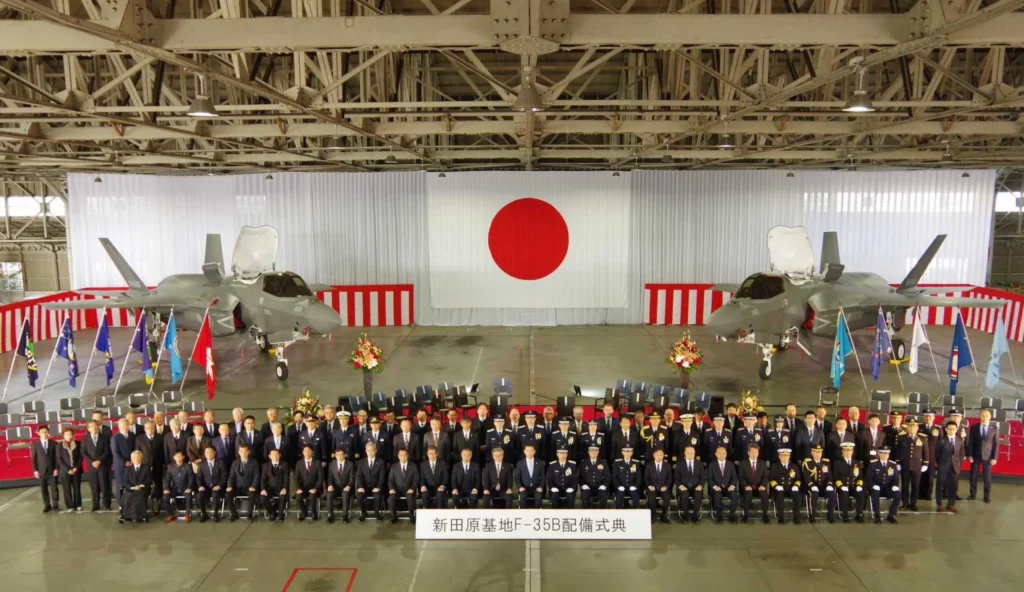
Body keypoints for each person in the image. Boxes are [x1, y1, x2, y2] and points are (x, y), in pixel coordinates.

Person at [895, 418, 929, 511]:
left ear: (917, 427)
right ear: (907, 427)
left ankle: (913, 503)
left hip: (917, 466)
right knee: (905, 485)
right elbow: (898, 451)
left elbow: (926, 452)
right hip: (905, 465)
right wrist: (897, 462)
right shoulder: (901, 437)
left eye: (914, 426)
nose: (912, 428)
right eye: (910, 426)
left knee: (915, 485)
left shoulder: (922, 438)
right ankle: (905, 503)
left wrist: (925, 463)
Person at [968, 408, 999, 503]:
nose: (985, 417)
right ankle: (972, 494)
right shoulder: (974, 427)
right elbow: (971, 442)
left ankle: (987, 496)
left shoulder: (994, 428)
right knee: (973, 476)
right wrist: (970, 455)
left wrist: (994, 458)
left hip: (988, 457)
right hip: (975, 456)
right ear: (980, 416)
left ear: (990, 417)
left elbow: (996, 444)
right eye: (983, 415)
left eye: (987, 415)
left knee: (987, 477)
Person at [934, 420, 965, 513]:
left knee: (954, 486)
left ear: (956, 429)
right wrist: (940, 464)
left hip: (955, 467)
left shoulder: (960, 440)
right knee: (940, 485)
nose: (952, 431)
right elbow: (937, 454)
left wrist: (959, 464)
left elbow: (961, 454)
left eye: (953, 429)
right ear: (946, 429)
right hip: (943, 466)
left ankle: (951, 504)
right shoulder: (941, 441)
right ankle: (939, 504)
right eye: (950, 429)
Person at [801, 445, 837, 524]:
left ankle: (830, 516)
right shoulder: (807, 463)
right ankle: (812, 516)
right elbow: (806, 477)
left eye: (820, 452)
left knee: (832, 494)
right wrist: (811, 485)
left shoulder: (826, 462)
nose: (818, 454)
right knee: (813, 494)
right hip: (812, 486)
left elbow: (829, 475)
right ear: (812, 452)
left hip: (823, 486)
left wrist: (829, 484)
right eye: (816, 452)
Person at [82, 419, 112, 512]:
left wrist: (99, 461)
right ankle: (95, 504)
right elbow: (84, 452)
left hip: (102, 465)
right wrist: (92, 461)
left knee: (104, 485)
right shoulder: (85, 439)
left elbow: (107, 451)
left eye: (96, 426)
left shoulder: (104, 437)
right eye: (92, 426)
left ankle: (106, 504)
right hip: (92, 466)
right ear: (88, 428)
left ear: (98, 427)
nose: (94, 428)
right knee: (94, 486)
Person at [832, 442, 865, 523]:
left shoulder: (857, 463)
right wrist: (841, 486)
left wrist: (859, 485)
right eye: (846, 450)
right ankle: (845, 515)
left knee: (862, 493)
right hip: (843, 486)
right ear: (842, 451)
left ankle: (859, 514)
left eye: (850, 451)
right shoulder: (837, 463)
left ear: (852, 451)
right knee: (844, 494)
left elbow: (860, 476)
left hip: (854, 486)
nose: (848, 453)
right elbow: (836, 477)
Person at [866, 447, 901, 524]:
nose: (885, 455)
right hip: (876, 487)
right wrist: (873, 485)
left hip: (888, 488)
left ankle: (891, 515)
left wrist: (895, 485)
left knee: (898, 494)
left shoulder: (892, 464)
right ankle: (877, 516)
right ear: (879, 453)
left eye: (887, 453)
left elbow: (896, 478)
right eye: (883, 453)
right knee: (875, 493)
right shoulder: (873, 464)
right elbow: (869, 477)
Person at [226, 443, 260, 522]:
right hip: (237, 487)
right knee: (228, 494)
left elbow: (256, 476)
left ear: (248, 452)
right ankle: (234, 514)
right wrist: (230, 486)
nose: (243, 454)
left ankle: (249, 515)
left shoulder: (254, 462)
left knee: (252, 494)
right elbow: (231, 476)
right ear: (238, 452)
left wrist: (253, 486)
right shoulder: (235, 463)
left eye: (245, 451)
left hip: (249, 487)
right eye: (241, 452)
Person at [31, 425, 60, 512]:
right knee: (43, 489)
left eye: (46, 432)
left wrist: (56, 468)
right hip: (41, 470)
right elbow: (34, 459)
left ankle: (55, 505)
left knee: (54, 488)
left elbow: (57, 457)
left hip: (52, 470)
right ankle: (47, 505)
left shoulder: (54, 443)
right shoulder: (35, 445)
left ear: (48, 433)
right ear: (39, 433)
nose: (44, 433)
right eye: (42, 432)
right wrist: (35, 470)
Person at [739, 442, 770, 524]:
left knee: (765, 495)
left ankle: (765, 515)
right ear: (748, 453)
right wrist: (746, 486)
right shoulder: (743, 463)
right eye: (752, 452)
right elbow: (741, 477)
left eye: (756, 452)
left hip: (759, 487)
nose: (754, 454)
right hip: (747, 487)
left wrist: (763, 485)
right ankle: (745, 515)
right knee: (747, 495)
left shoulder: (762, 463)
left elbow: (765, 476)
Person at [769, 449, 802, 524]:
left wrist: (796, 485)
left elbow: (798, 478)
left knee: (798, 496)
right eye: (783, 456)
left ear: (789, 457)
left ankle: (796, 517)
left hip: (791, 488)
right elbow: (771, 479)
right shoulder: (775, 466)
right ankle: (781, 518)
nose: (785, 458)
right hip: (779, 488)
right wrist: (776, 486)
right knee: (779, 496)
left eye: (787, 456)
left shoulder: (794, 466)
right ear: (779, 457)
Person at [356, 441, 387, 521]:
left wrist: (379, 487)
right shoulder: (361, 462)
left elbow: (382, 476)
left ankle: (377, 513)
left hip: (376, 486)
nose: (370, 452)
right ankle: (364, 512)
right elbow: (359, 476)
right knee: (359, 496)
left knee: (378, 496)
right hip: (364, 487)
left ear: (376, 450)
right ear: (366, 451)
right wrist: (360, 487)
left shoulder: (381, 462)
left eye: (372, 450)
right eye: (368, 450)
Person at [708, 445, 739, 523]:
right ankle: (719, 516)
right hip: (717, 488)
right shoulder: (711, 465)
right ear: (716, 454)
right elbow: (709, 479)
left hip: (729, 488)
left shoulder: (731, 464)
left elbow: (734, 478)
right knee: (717, 496)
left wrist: (732, 486)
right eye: (720, 453)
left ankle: (732, 515)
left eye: (723, 453)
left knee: (735, 495)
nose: (722, 455)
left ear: (726, 454)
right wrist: (715, 487)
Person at [162, 451, 195, 523]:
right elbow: (167, 479)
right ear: (174, 458)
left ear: (183, 457)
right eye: (177, 456)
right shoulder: (170, 467)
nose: (178, 458)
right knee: (165, 497)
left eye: (180, 456)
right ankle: (171, 514)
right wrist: (166, 488)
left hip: (185, 488)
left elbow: (191, 478)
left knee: (189, 497)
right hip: (175, 488)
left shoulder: (188, 466)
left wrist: (189, 487)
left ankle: (187, 514)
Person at [120, 450, 152, 523]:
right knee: (128, 496)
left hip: (142, 488)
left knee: (139, 495)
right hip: (131, 489)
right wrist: (132, 487)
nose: (136, 459)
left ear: (141, 458)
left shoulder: (146, 468)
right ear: (131, 459)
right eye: (134, 458)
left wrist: (141, 485)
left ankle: (138, 516)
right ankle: (126, 515)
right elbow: (125, 481)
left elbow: (149, 480)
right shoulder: (128, 469)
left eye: (138, 457)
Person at [197, 445, 226, 522]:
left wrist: (219, 486)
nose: (209, 454)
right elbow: (199, 478)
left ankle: (215, 513)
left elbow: (224, 477)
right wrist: (200, 486)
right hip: (206, 487)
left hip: (217, 487)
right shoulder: (202, 465)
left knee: (215, 494)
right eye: (207, 452)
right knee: (199, 495)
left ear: (215, 453)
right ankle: (203, 513)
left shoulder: (221, 463)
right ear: (204, 454)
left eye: (211, 452)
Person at [675, 444, 703, 523]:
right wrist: (681, 486)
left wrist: (700, 485)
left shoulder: (699, 464)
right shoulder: (679, 464)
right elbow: (676, 479)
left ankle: (695, 515)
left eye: (692, 453)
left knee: (698, 495)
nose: (690, 454)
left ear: (695, 453)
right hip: (683, 487)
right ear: (685, 453)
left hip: (696, 487)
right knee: (684, 494)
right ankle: (685, 515)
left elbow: (703, 478)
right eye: (688, 453)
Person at [57, 427, 83, 512]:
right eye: (67, 434)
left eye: (70, 434)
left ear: (73, 435)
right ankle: (70, 506)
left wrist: (76, 468)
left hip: (76, 470)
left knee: (77, 488)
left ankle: (78, 504)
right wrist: (68, 469)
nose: (69, 436)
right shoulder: (59, 445)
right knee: (67, 489)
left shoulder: (78, 444)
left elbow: (80, 457)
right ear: (63, 436)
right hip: (65, 471)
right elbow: (59, 459)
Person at [260, 448, 290, 522]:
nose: (275, 456)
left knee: (283, 497)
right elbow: (263, 479)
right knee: (262, 498)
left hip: (281, 488)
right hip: (270, 488)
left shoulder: (285, 464)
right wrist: (263, 489)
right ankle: (272, 512)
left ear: (280, 455)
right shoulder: (266, 466)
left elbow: (286, 478)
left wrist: (285, 488)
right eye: (273, 455)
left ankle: (280, 514)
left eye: (276, 455)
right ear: (269, 456)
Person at [295, 444, 324, 521]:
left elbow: (320, 478)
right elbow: (296, 478)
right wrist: (298, 488)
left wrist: (315, 488)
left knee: (312, 496)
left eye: (309, 450)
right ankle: (303, 512)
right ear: (302, 452)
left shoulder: (317, 463)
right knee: (298, 496)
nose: (307, 452)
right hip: (303, 488)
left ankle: (314, 513)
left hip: (315, 487)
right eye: (305, 450)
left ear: (312, 452)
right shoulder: (299, 463)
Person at [644, 448, 672, 523]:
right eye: (657, 455)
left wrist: (666, 486)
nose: (659, 456)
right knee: (651, 498)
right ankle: (653, 515)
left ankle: (664, 515)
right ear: (654, 455)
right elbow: (646, 478)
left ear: (663, 456)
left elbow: (670, 478)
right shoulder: (649, 465)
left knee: (667, 498)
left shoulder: (667, 465)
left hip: (664, 488)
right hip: (652, 487)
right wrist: (650, 486)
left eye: (661, 455)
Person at [327, 448, 355, 523]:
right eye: (337, 455)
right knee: (329, 494)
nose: (339, 456)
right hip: (336, 487)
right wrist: (330, 485)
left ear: (345, 455)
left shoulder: (350, 464)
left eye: (341, 454)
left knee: (345, 494)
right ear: (335, 456)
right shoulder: (332, 464)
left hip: (347, 487)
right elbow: (330, 478)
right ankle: (330, 516)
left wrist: (348, 486)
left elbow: (352, 478)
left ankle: (345, 516)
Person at [579, 444, 610, 509]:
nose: (593, 452)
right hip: (588, 486)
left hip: (600, 486)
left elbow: (607, 476)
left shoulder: (603, 462)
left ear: (598, 452)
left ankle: (602, 512)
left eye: (595, 451)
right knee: (584, 495)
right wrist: (583, 485)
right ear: (588, 452)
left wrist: (604, 485)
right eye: (591, 451)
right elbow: (580, 477)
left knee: (604, 495)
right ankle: (586, 512)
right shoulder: (583, 463)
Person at [919, 410, 941, 502]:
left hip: (932, 456)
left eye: (930, 416)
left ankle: (928, 494)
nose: (928, 418)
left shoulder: (938, 429)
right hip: (920, 455)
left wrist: (938, 457)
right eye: (926, 416)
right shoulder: (919, 427)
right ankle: (919, 493)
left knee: (930, 476)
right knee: (919, 475)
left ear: (934, 418)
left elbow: (940, 443)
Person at [516, 443, 545, 509]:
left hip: (536, 488)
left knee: (538, 497)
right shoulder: (520, 463)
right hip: (524, 488)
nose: (529, 452)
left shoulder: (540, 463)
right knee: (522, 497)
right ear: (524, 451)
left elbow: (543, 477)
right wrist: (520, 487)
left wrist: (541, 487)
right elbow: (517, 478)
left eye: (531, 450)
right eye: (527, 450)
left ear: (534, 451)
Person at [111, 418, 133, 506]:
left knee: (131, 484)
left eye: (126, 425)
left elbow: (135, 448)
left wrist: (132, 460)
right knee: (120, 485)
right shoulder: (115, 438)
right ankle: (121, 504)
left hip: (131, 464)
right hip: (120, 466)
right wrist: (125, 462)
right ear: (119, 427)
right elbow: (115, 452)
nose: (125, 427)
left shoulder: (132, 435)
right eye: (123, 425)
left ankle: (130, 502)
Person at [419, 445, 449, 510]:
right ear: (427, 454)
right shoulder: (423, 464)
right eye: (430, 453)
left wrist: (443, 486)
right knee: (424, 495)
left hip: (439, 487)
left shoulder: (443, 463)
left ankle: (440, 512)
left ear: (437, 454)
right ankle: (427, 512)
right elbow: (422, 478)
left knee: (440, 494)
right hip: (428, 487)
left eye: (433, 453)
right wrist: (423, 486)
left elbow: (446, 478)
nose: (431, 455)